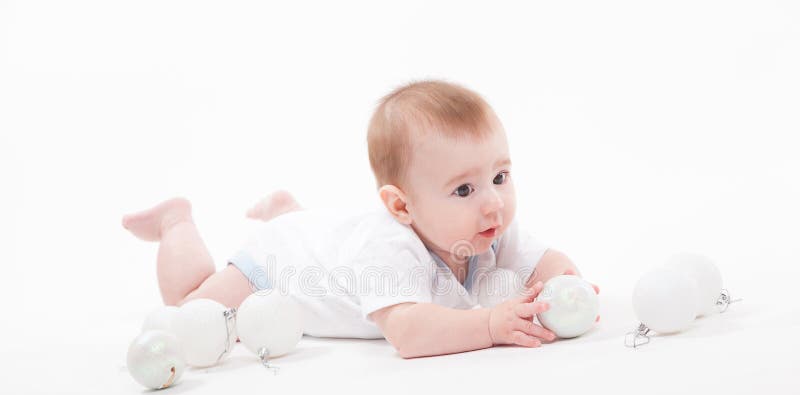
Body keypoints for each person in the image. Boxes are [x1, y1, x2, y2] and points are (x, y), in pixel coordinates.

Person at [122, 80, 599, 359]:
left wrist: (565, 285)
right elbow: (409, 333)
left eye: (501, 175)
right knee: (190, 311)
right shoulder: (388, 248)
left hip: (328, 243)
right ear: (401, 207)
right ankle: (175, 224)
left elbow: (544, 261)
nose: (493, 202)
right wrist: (493, 325)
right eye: (464, 189)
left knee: (328, 241)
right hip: (281, 260)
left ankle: (290, 211)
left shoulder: (486, 225)